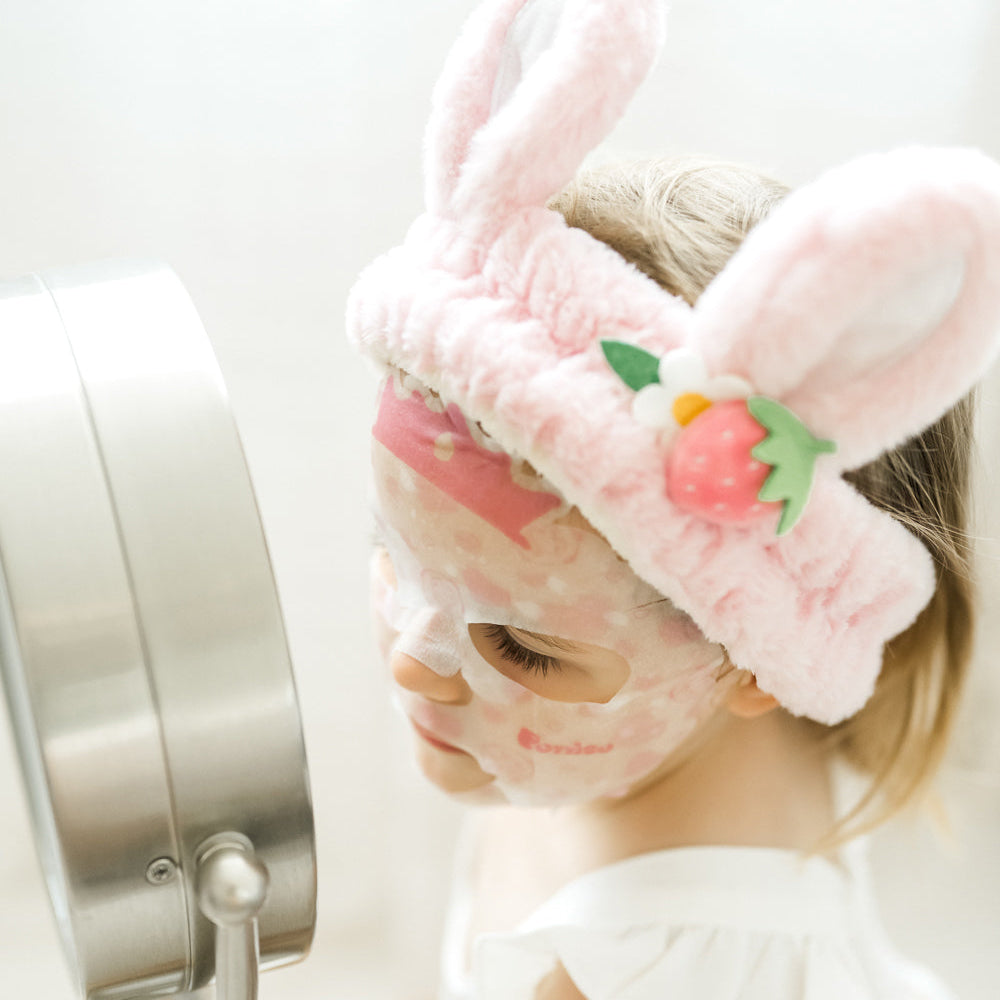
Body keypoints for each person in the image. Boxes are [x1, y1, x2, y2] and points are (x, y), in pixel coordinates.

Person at [347, 1, 1000, 997]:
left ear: (756, 658)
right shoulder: (691, 746)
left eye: (519, 645)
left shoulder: (618, 973)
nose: (410, 656)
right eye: (393, 552)